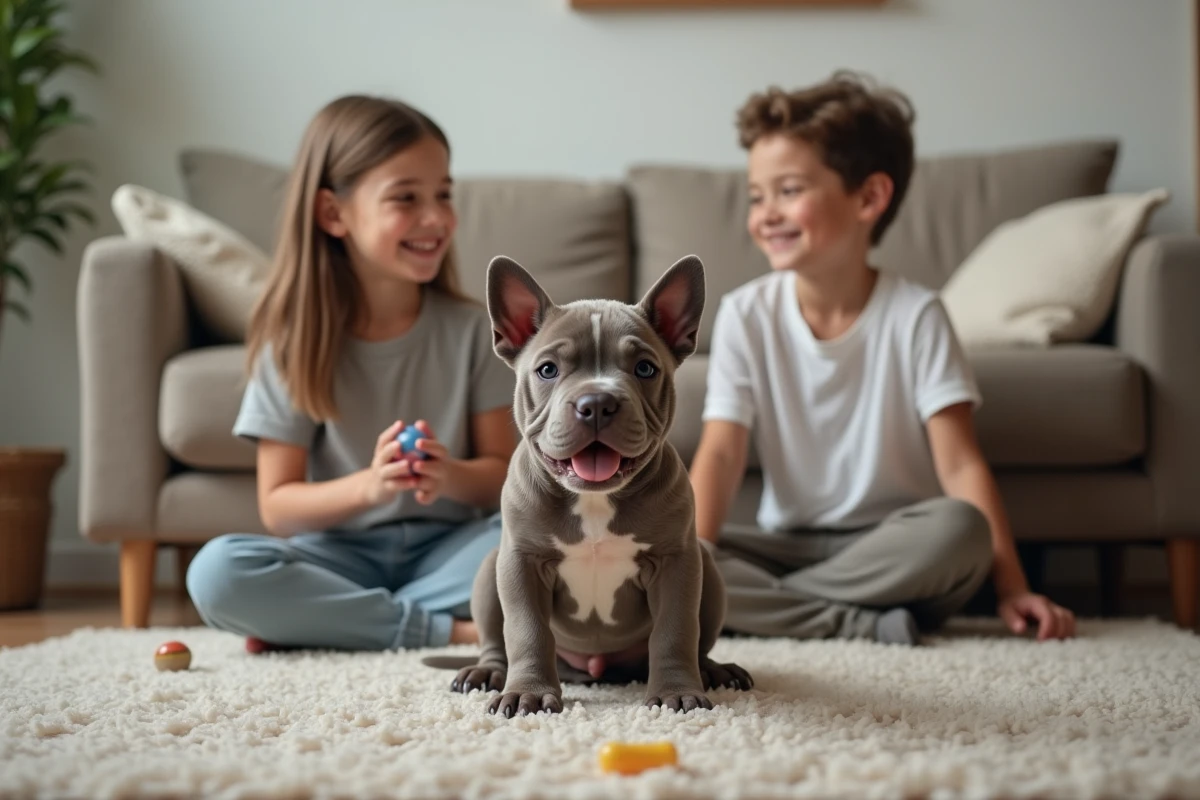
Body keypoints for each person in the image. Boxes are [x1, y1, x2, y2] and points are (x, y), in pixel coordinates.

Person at [689, 71, 1076, 645]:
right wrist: (684, 558)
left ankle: (762, 610)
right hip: (784, 545)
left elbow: (961, 466)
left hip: (894, 547)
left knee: (960, 529)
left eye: (789, 191)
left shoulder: (917, 315)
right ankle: (851, 623)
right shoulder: (745, 313)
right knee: (665, 554)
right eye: (756, 196)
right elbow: (720, 455)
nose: (766, 213)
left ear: (869, 197)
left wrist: (1012, 587)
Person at [186, 95, 516, 653]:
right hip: (339, 556)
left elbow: (504, 476)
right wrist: (372, 485)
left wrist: (449, 475)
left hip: (452, 550)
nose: (435, 218)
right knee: (218, 572)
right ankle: (453, 630)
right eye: (405, 198)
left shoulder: (474, 332)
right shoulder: (292, 342)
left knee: (543, 534)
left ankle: (335, 623)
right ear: (333, 214)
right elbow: (279, 506)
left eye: (443, 195)